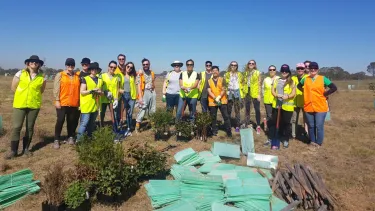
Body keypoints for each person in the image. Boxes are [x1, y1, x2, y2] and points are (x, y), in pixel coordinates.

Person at [5, 55, 47, 159]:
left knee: (29, 127)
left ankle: (26, 149)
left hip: (34, 105)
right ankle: (13, 151)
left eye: (36, 62)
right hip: (20, 104)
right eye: (31, 61)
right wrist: (21, 96)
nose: (34, 63)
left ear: (39, 64)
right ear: (28, 63)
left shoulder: (42, 77)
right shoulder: (20, 73)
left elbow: (41, 90)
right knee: (16, 127)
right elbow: (13, 87)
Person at [297, 62, 337, 148]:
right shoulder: (305, 79)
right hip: (308, 106)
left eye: (315, 68)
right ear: (308, 69)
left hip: (320, 106)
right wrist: (305, 92)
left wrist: (325, 94)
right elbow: (298, 86)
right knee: (311, 126)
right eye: (311, 68)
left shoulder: (323, 79)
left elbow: (334, 87)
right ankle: (312, 141)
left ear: (317, 69)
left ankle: (319, 143)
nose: (313, 70)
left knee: (319, 125)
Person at [53, 58, 81, 149]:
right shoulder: (60, 75)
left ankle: (70, 136)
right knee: (60, 120)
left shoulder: (77, 76)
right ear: (65, 65)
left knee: (71, 121)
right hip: (62, 102)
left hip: (74, 103)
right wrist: (57, 100)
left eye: (72, 65)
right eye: (68, 65)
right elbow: (56, 88)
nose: (70, 67)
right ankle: (56, 139)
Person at [268, 64, 296, 149]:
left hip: (287, 107)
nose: (284, 72)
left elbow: (293, 93)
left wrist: (287, 96)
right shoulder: (277, 80)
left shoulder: (292, 81)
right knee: (274, 122)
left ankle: (286, 140)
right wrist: (276, 95)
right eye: (283, 71)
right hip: (277, 105)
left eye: (286, 71)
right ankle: (272, 138)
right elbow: (272, 90)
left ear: (288, 72)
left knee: (286, 123)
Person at [77, 62, 103, 141]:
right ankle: (79, 140)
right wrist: (91, 91)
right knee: (84, 124)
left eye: (95, 69)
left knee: (92, 124)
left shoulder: (100, 80)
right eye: (92, 69)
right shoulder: (85, 79)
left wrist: (100, 93)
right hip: (87, 105)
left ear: (97, 70)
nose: (94, 70)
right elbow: (82, 92)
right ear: (90, 70)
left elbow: (101, 92)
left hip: (96, 105)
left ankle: (89, 138)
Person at [207, 66, 232, 137]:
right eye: (213, 70)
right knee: (213, 117)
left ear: (218, 72)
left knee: (226, 116)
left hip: (222, 101)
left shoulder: (222, 79)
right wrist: (215, 98)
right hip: (213, 101)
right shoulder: (209, 81)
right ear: (211, 72)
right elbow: (209, 91)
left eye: (216, 70)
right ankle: (214, 131)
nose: (215, 72)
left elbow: (224, 89)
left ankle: (228, 131)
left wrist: (219, 97)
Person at [135, 58, 156, 133]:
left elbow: (153, 81)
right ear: (142, 65)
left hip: (152, 92)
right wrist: (140, 97)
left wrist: (153, 88)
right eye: (144, 64)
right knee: (143, 108)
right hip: (144, 93)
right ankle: (137, 125)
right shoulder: (140, 73)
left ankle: (152, 124)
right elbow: (138, 85)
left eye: (147, 64)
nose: (145, 65)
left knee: (152, 109)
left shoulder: (152, 73)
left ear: (149, 64)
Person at [243, 59, 262, 134]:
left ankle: (258, 126)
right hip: (247, 93)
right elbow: (243, 83)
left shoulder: (258, 72)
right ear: (248, 64)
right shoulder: (245, 73)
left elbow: (259, 84)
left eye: (252, 63)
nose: (251, 64)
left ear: (255, 65)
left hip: (255, 93)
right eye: (250, 63)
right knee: (247, 109)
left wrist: (259, 94)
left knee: (257, 110)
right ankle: (247, 123)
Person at [224, 61, 244, 132]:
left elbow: (243, 84)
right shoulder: (226, 74)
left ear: (237, 66)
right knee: (228, 110)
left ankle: (237, 126)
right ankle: (228, 126)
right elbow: (224, 84)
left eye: (235, 65)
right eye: (232, 65)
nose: (233, 66)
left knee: (237, 111)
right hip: (229, 93)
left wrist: (242, 94)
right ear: (230, 66)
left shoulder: (240, 74)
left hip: (237, 94)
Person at [118, 62, 137, 136]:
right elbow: (117, 86)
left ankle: (128, 128)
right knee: (121, 113)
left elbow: (139, 74)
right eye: (128, 66)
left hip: (132, 96)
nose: (129, 68)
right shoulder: (120, 75)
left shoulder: (133, 76)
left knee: (129, 113)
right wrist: (120, 90)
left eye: (131, 67)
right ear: (125, 66)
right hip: (123, 95)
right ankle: (120, 128)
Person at [100, 61, 120, 127]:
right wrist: (105, 92)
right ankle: (101, 126)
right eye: (111, 67)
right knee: (102, 114)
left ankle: (114, 127)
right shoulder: (102, 76)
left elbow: (118, 89)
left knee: (114, 114)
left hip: (112, 100)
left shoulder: (117, 77)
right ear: (108, 67)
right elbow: (99, 87)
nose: (113, 68)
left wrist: (116, 99)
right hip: (103, 99)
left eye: (114, 67)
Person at [291, 63, 308, 140]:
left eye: (301, 68)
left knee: (306, 119)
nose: (300, 70)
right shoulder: (293, 78)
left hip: (305, 102)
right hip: (295, 102)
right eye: (298, 68)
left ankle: (306, 134)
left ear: (304, 69)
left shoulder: (307, 78)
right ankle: (293, 135)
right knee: (294, 119)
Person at [262, 65, 279, 132]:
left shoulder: (279, 78)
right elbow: (263, 89)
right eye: (270, 70)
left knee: (276, 115)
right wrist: (264, 95)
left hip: (276, 100)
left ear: (275, 70)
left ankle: (275, 127)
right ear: (268, 71)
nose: (272, 71)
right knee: (269, 115)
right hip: (267, 100)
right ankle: (267, 126)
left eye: (273, 69)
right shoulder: (266, 79)